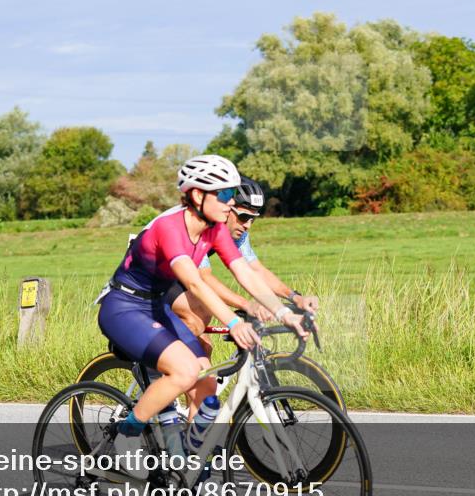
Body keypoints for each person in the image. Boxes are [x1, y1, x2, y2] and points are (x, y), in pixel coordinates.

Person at [95, 155, 308, 438]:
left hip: (158, 304)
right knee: (185, 368)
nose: (231, 202)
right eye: (225, 195)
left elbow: (244, 271)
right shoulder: (170, 227)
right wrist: (235, 322)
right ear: (197, 195)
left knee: (207, 383)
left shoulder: (215, 229)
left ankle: (191, 456)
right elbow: (196, 283)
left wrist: (284, 312)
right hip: (126, 306)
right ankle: (125, 435)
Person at [165, 176, 319, 357]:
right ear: (226, 207)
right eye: (244, 217)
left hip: (180, 275)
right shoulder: (200, 223)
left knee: (203, 349)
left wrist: (295, 297)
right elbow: (204, 278)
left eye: (253, 219)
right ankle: (155, 364)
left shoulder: (235, 231)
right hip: (153, 278)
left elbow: (255, 270)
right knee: (199, 316)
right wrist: (247, 305)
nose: (247, 225)